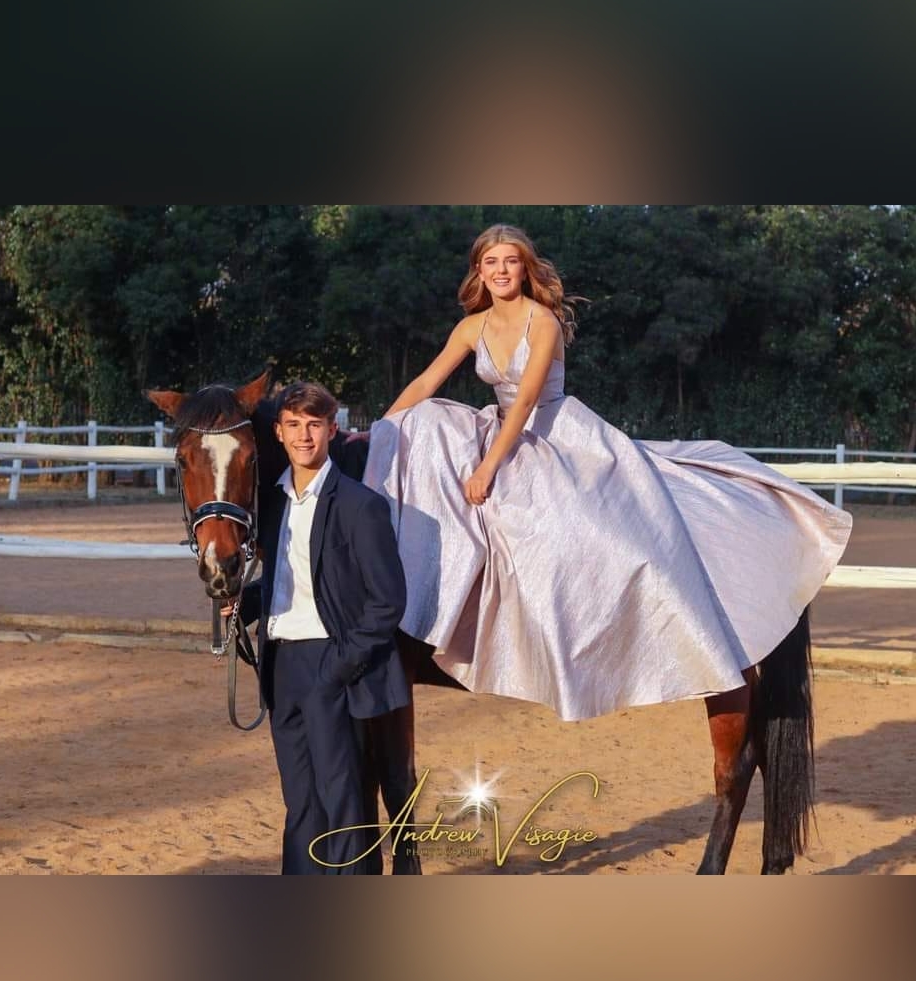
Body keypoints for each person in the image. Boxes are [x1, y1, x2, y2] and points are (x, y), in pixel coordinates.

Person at [361, 224, 853, 722]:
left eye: (510, 261)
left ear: (525, 269)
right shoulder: (472, 327)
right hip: (502, 427)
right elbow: (425, 382)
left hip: (551, 431)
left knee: (594, 532)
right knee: (426, 421)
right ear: (479, 271)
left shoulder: (543, 322)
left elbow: (527, 401)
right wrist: (380, 430)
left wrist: (488, 467)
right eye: (491, 263)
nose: (501, 271)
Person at [235, 381, 411, 873]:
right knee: (301, 803)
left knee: (344, 802)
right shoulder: (273, 505)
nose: (304, 436)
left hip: (333, 665)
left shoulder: (361, 505)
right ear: (278, 432)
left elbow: (387, 601)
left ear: (333, 430)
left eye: (314, 425)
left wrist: (338, 666)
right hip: (282, 666)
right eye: (293, 425)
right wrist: (243, 605)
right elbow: (290, 579)